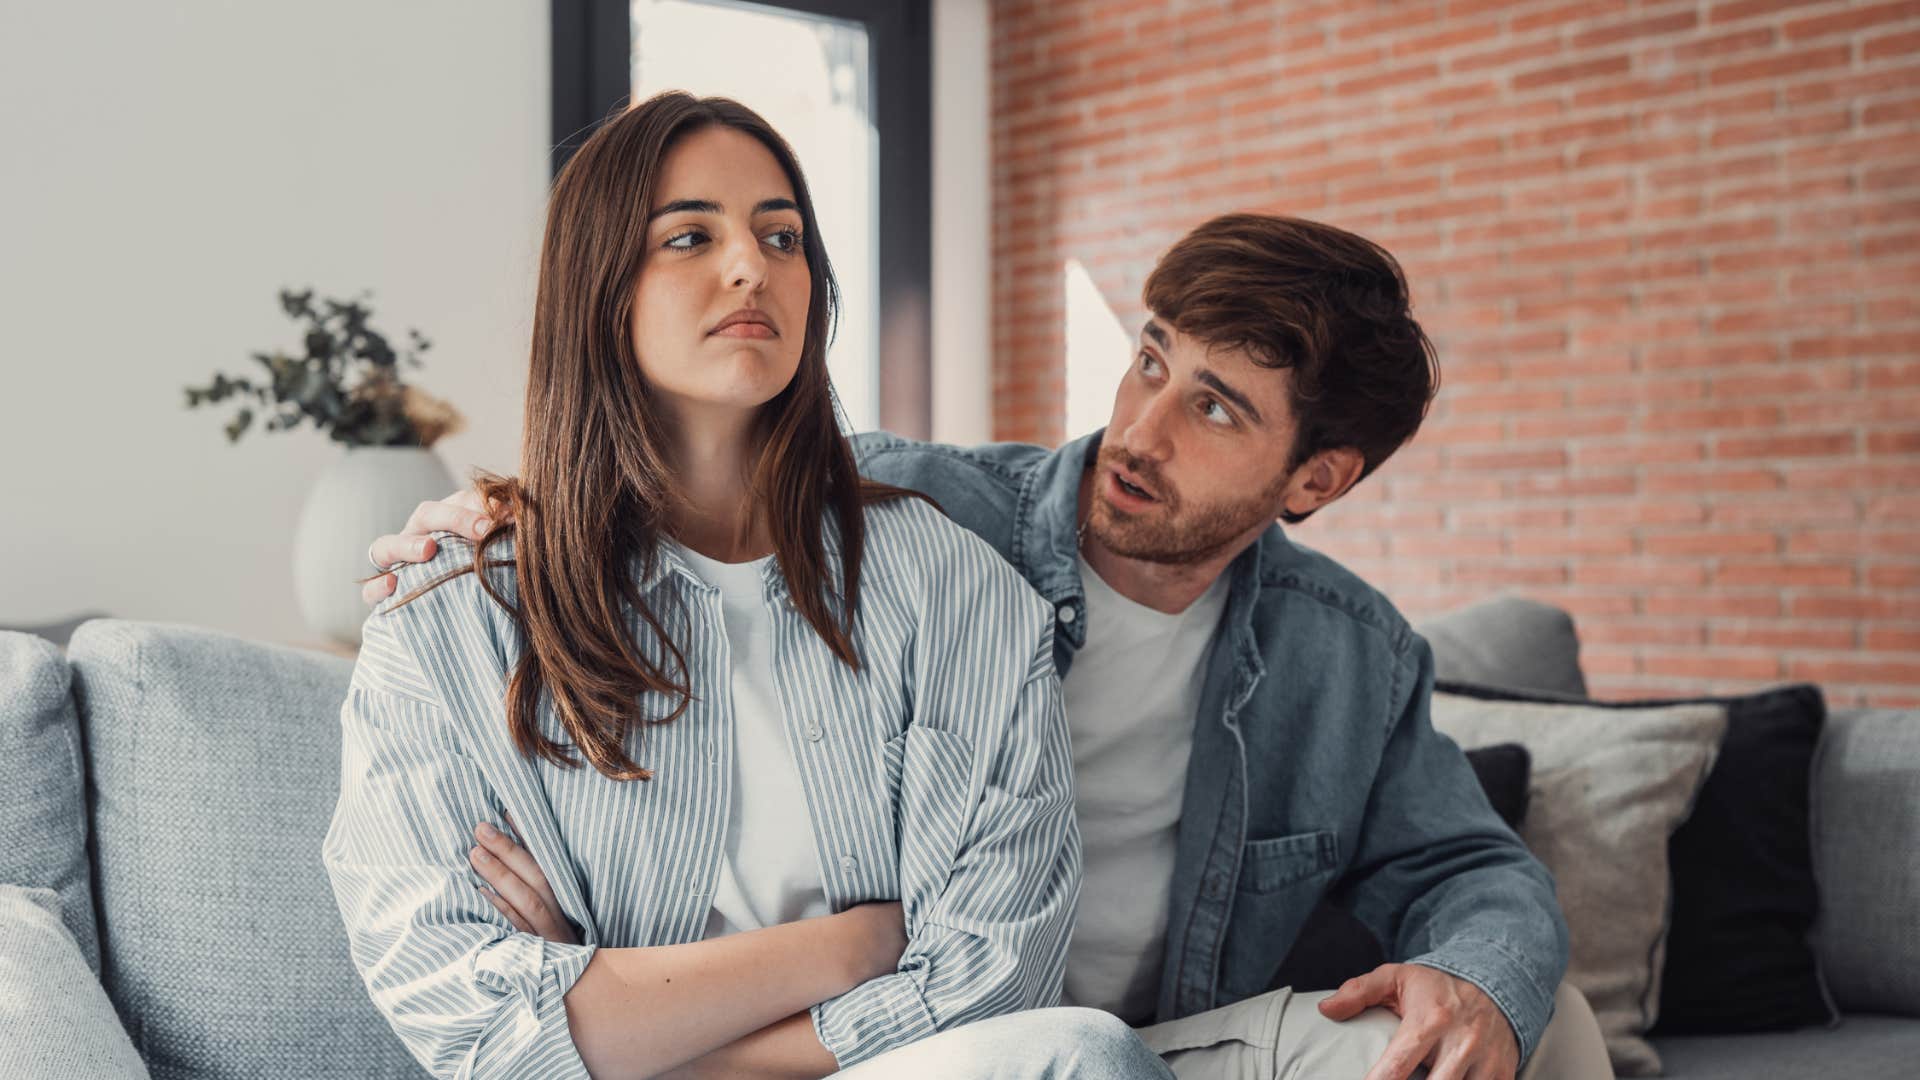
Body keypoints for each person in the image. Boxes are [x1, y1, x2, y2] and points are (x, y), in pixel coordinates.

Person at [368, 212, 1614, 1079]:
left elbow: (1476, 873)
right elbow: (669, 500)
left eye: (1215, 408)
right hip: (901, 1042)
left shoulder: (1349, 659)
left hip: (1162, 1047)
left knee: (1545, 1022)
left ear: (1317, 478)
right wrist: (498, 520)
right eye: (1150, 362)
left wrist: (1480, 986)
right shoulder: (910, 515)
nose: (1141, 428)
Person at [324, 90, 1174, 1080]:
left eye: (783, 236)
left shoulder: (952, 588)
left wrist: (628, 1016)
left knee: (1080, 1057)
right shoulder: (454, 619)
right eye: (688, 237)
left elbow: (995, 977)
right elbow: (468, 1017)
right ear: (600, 287)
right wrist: (852, 945)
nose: (751, 266)